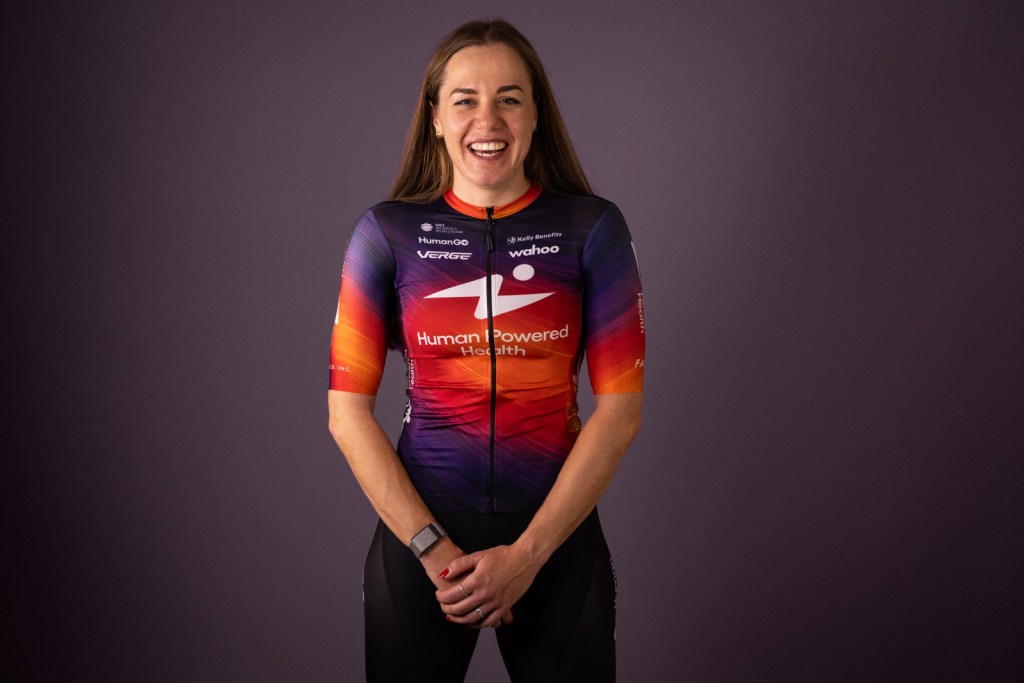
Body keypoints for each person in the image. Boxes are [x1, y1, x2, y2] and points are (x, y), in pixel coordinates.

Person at [327, 19, 645, 683]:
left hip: (555, 543)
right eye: (465, 99)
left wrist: (528, 555)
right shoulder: (385, 234)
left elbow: (620, 410)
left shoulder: (592, 228)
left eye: (509, 98)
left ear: (535, 115)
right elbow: (346, 412)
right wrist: (434, 551)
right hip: (421, 546)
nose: (487, 120)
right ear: (435, 117)